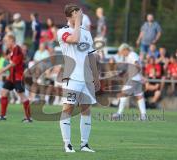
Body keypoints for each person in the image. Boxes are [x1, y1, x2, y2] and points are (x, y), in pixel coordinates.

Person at [57, 4, 100, 153]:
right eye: (78, 13)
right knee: (68, 109)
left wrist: (96, 76)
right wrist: (76, 23)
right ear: (70, 15)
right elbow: (74, 39)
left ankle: (84, 144)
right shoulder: (63, 31)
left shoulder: (86, 33)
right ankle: (67, 144)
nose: (81, 16)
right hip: (72, 78)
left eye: (81, 13)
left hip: (86, 79)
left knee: (86, 110)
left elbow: (91, 55)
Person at [0, 34, 32, 123]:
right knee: (4, 92)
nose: (5, 43)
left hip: (18, 77)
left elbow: (14, 63)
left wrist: (1, 71)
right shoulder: (12, 50)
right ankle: (2, 116)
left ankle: (28, 118)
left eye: (6, 41)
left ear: (11, 40)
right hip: (12, 77)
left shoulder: (17, 48)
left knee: (22, 96)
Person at [112, 43, 147, 120]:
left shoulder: (132, 55)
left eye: (121, 52)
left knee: (123, 93)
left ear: (125, 50)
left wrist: (141, 76)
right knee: (139, 96)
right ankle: (143, 115)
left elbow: (137, 65)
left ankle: (119, 113)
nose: (121, 54)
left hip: (134, 78)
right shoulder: (130, 55)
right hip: (136, 78)